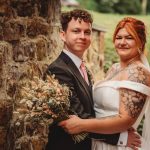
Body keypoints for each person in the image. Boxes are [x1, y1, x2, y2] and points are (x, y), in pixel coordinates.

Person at [44, 9, 141, 150]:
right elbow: (77, 119)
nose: (82, 36)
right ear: (63, 35)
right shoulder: (58, 70)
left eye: (87, 32)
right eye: (76, 31)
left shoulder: (83, 68)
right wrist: (120, 137)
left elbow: (91, 111)